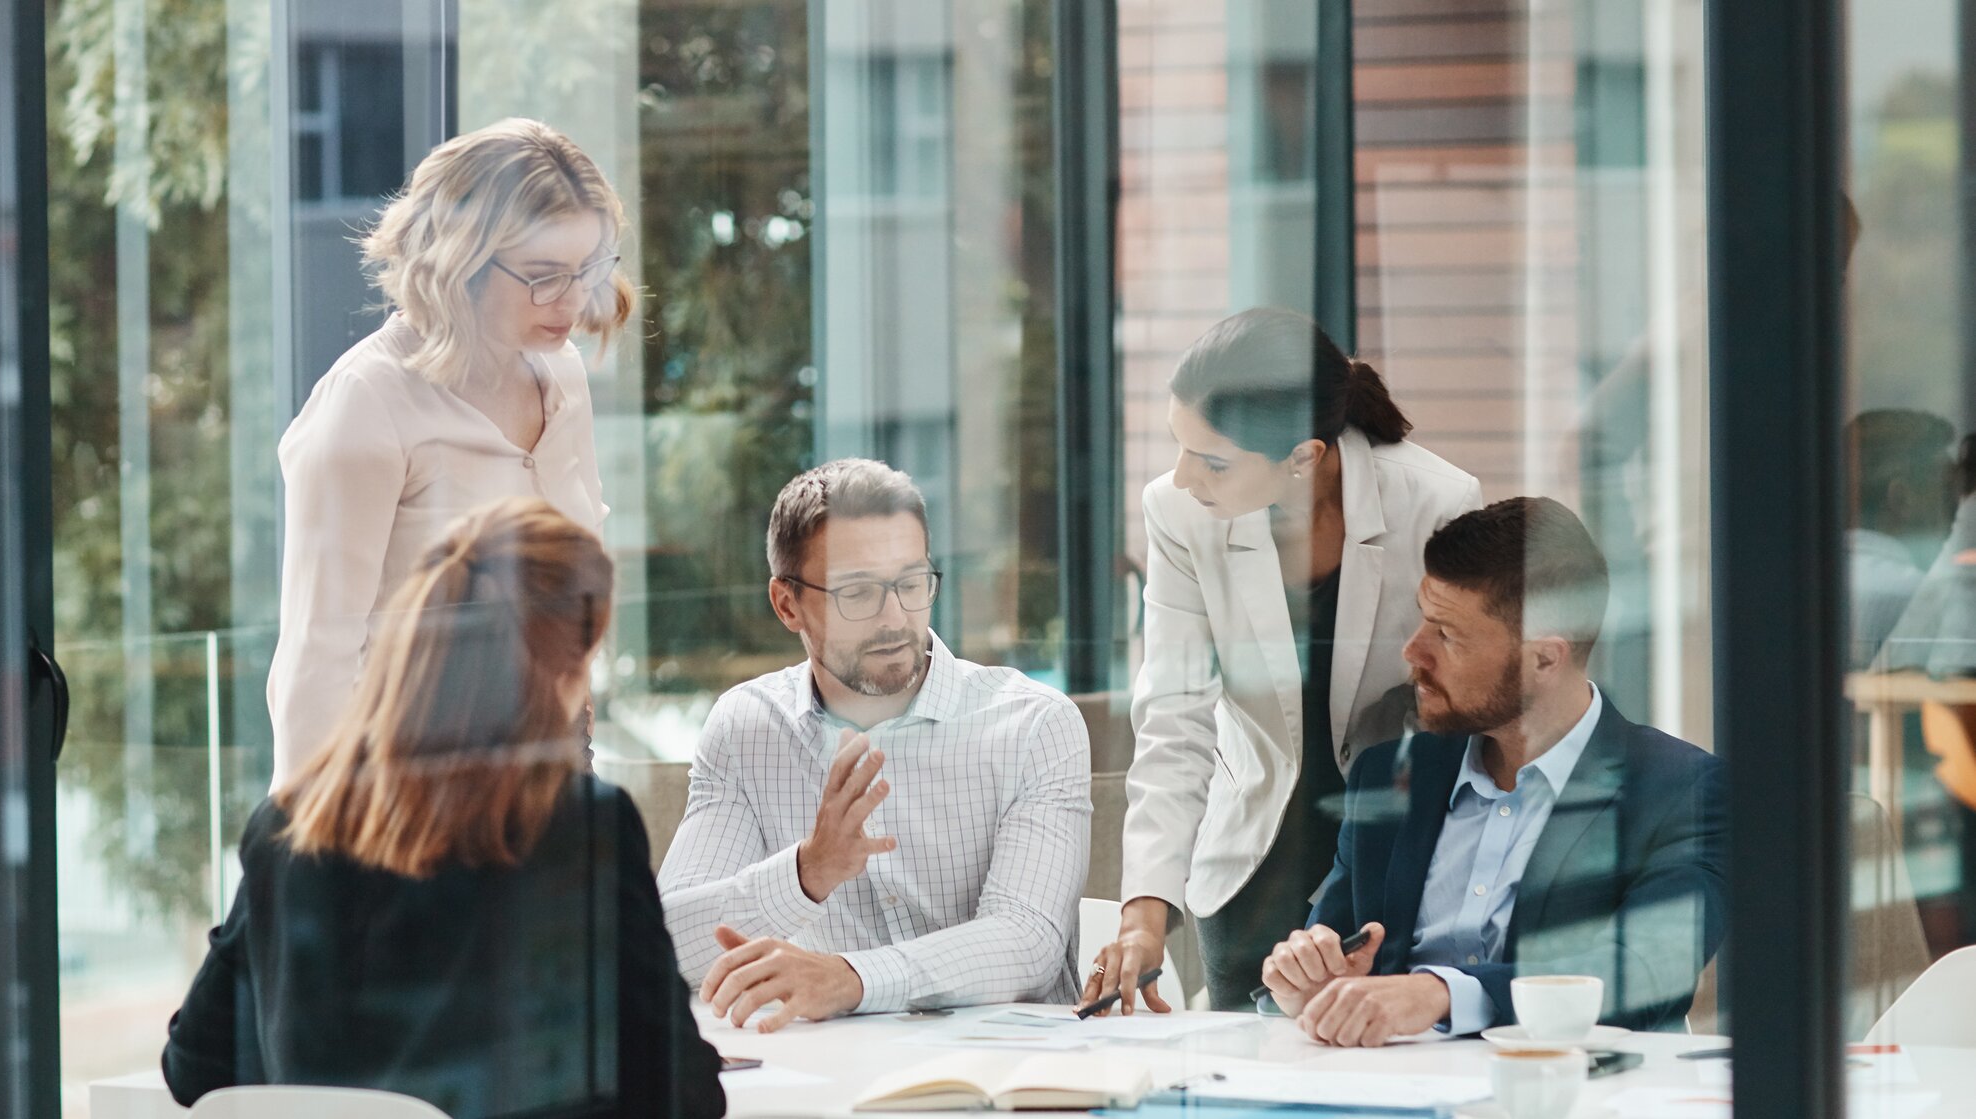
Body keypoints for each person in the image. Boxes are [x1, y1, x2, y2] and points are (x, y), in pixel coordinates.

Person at [164, 499, 723, 1117]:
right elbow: (683, 1093)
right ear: (569, 665)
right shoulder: (579, 825)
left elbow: (195, 1066)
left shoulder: (291, 823)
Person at [1091, 308, 1483, 1014]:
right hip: (1252, 861)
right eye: (1180, 446)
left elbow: (1455, 703)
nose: (1181, 478)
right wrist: (1143, 917)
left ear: (1304, 457)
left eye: (1210, 461)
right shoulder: (1177, 513)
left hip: (1390, 851)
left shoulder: (1437, 501)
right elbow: (1174, 718)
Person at [1256, 497, 1723, 1046]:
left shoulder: (1684, 789)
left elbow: (1640, 974)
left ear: (1545, 659)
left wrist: (1443, 992)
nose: (1414, 652)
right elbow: (1335, 944)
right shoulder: (1387, 773)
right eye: (1423, 622)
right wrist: (1306, 981)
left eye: (1447, 636)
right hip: (1389, 1088)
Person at [655, 459, 1090, 1031]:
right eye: (857, 593)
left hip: (1012, 1084)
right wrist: (806, 874)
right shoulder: (747, 730)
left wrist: (850, 979)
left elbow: (1027, 944)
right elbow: (668, 947)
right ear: (787, 604)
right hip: (835, 1085)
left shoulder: (1034, 725)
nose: (894, 618)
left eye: (911, 584)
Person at [267, 118, 635, 787]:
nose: (575, 300)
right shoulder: (367, 402)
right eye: (544, 275)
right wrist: (308, 869)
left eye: (588, 269)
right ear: (459, 261)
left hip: (549, 773)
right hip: (415, 792)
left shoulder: (562, 375)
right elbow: (316, 662)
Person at [1843, 410, 1958, 668]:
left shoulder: (1796, 588)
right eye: (1949, 493)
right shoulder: (1923, 598)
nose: (1958, 513)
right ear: (1903, 499)